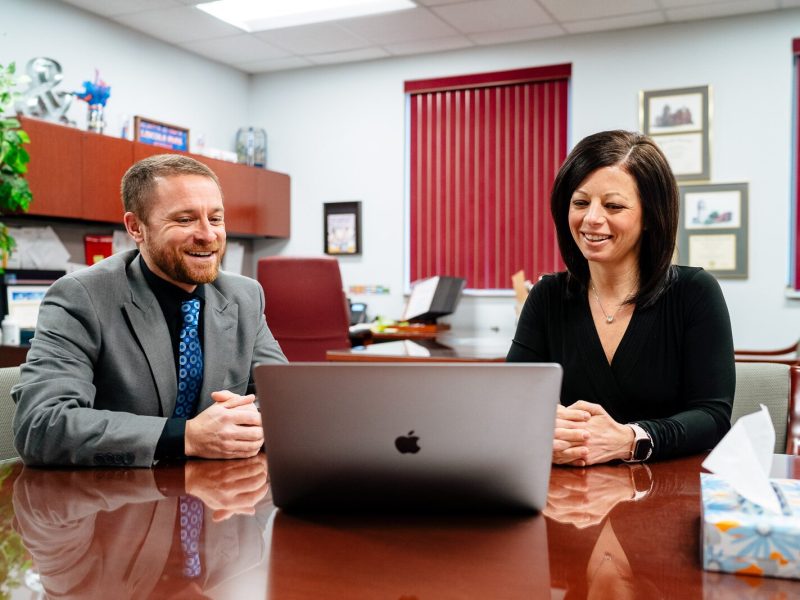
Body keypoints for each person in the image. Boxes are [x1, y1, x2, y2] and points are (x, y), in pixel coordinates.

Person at [12, 154, 287, 466]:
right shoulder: (81, 297)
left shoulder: (245, 296)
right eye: (184, 220)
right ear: (136, 227)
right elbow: (41, 425)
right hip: (115, 501)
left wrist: (255, 423)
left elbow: (284, 402)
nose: (208, 235)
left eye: (216, 218)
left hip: (219, 499)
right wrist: (185, 436)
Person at [507, 130, 734, 465]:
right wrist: (546, 424)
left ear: (649, 217)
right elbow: (511, 401)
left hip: (665, 495)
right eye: (581, 202)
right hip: (569, 500)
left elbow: (713, 417)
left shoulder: (695, 292)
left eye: (613, 205)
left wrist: (631, 440)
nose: (592, 219)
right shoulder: (547, 296)